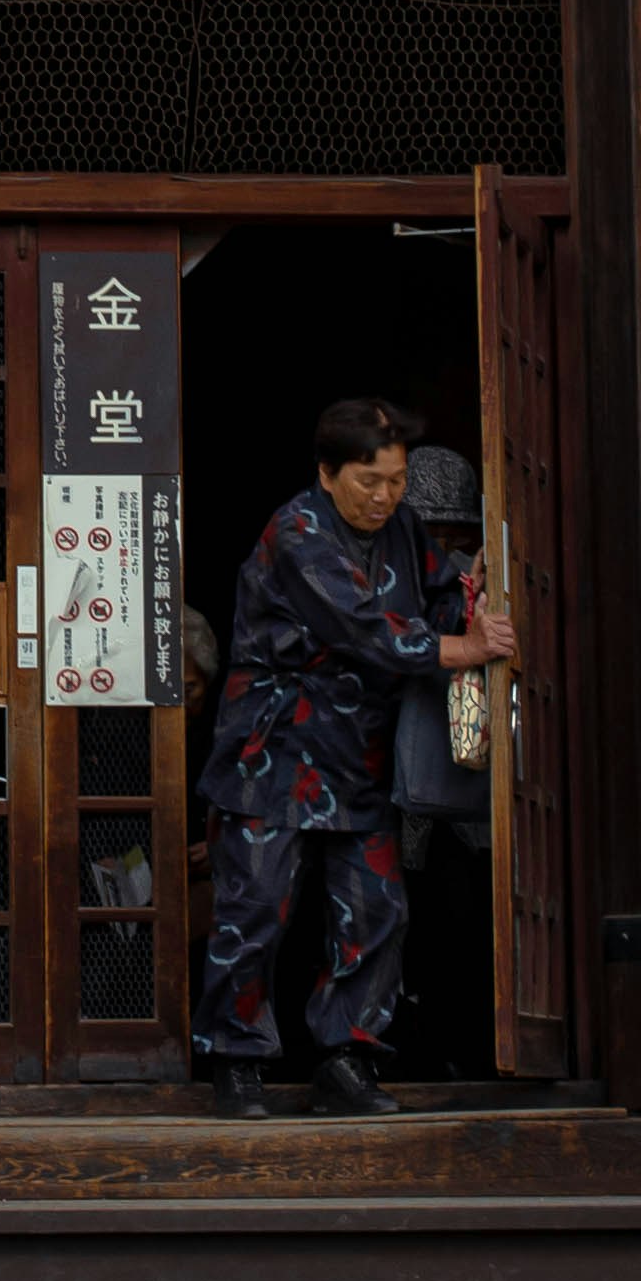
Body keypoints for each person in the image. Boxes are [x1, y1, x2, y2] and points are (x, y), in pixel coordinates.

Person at [190, 397, 518, 1116]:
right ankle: (236, 1061)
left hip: (358, 756)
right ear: (328, 472)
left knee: (377, 910)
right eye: (370, 480)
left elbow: (437, 597)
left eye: (396, 480)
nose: (386, 496)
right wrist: (459, 647)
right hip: (272, 754)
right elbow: (363, 625)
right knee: (257, 910)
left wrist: (477, 589)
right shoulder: (296, 532)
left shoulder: (403, 527)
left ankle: (348, 1058)